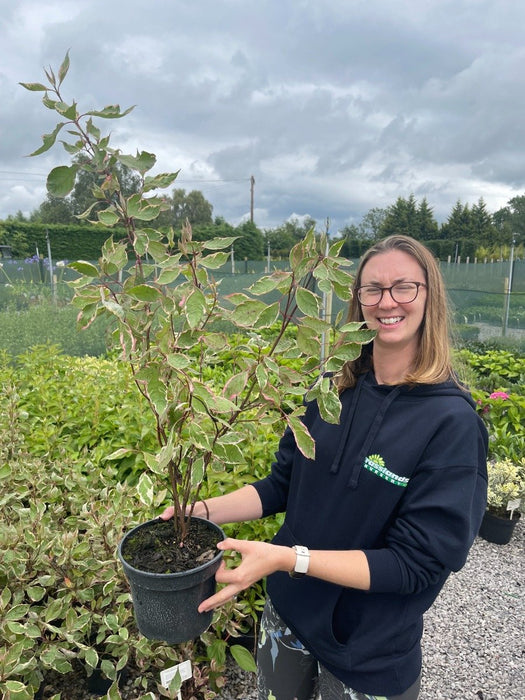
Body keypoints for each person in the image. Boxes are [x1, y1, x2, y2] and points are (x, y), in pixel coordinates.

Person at [161, 234, 488, 700]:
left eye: (403, 287)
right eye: (372, 289)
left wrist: (287, 558)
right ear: (357, 300)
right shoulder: (331, 387)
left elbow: (416, 564)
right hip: (287, 618)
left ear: (429, 295)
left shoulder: (452, 423)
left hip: (368, 651)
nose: (386, 301)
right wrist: (199, 511)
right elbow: (281, 485)